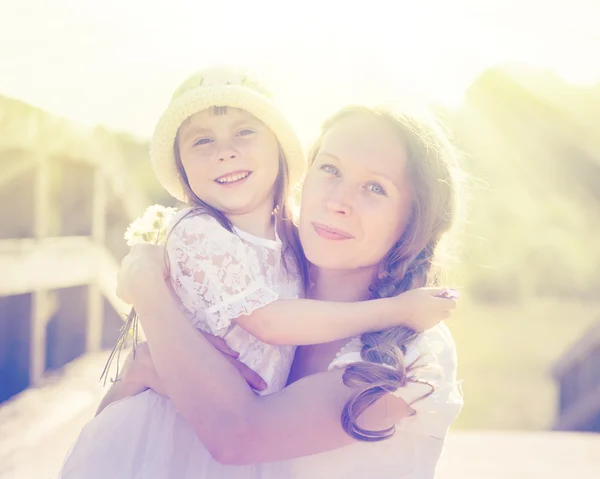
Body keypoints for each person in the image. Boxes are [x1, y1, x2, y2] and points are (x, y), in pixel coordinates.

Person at [58, 69, 456, 478]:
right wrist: (136, 374)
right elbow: (119, 446)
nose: (338, 200)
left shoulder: (410, 359)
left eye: (375, 188)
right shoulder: (261, 275)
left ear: (414, 219)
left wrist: (148, 289)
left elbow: (237, 435)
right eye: (331, 170)